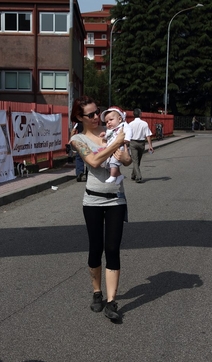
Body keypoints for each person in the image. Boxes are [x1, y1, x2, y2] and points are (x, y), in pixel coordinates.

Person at [70, 95, 132, 321]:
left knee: (113, 249)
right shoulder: (78, 139)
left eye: (99, 112)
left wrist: (124, 154)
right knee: (95, 248)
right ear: (80, 117)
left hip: (116, 199)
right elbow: (94, 162)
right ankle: (97, 292)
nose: (98, 117)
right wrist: (115, 144)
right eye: (91, 114)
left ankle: (111, 301)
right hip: (93, 201)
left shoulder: (115, 131)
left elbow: (127, 160)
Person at [100, 106, 133, 185]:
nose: (108, 123)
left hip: (119, 147)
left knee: (113, 162)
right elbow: (107, 136)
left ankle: (112, 176)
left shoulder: (123, 126)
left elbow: (129, 131)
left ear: (119, 119)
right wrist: (104, 136)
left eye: (111, 120)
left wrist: (127, 138)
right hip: (111, 149)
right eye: (106, 121)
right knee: (109, 164)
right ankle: (119, 175)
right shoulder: (109, 130)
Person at [129, 108, 154, 183]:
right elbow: (148, 135)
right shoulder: (144, 123)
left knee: (135, 160)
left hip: (133, 143)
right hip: (141, 143)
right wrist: (150, 146)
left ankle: (134, 175)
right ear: (140, 114)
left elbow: (128, 135)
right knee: (137, 160)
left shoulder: (130, 124)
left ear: (133, 115)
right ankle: (138, 176)